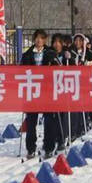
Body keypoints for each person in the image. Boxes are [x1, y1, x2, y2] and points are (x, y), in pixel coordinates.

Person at [20, 29, 54, 159]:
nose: (39, 40)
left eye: (41, 38)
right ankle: (30, 148)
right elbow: (21, 71)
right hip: (32, 91)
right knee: (31, 121)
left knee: (49, 121)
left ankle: (49, 146)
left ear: (45, 40)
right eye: (37, 38)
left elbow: (57, 70)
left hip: (47, 91)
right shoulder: (27, 55)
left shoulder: (50, 53)